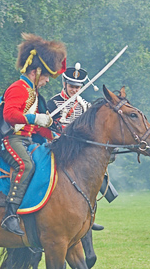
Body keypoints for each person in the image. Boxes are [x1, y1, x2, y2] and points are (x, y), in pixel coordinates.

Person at [0, 33, 66, 236]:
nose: (46, 81)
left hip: (26, 140)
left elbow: (35, 128)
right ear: (36, 72)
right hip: (11, 139)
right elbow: (10, 115)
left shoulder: (32, 92)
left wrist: (54, 132)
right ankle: (10, 214)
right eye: (45, 76)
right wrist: (36, 118)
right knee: (25, 165)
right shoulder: (19, 88)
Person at [47, 65, 107, 233]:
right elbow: (49, 127)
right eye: (72, 86)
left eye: (77, 87)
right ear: (65, 84)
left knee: (95, 174)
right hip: (59, 147)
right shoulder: (54, 103)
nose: (74, 90)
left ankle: (89, 214)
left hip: (79, 150)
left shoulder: (85, 106)